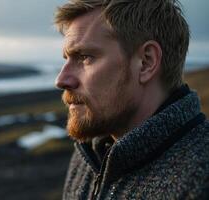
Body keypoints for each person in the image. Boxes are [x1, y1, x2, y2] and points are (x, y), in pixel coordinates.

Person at [54, 0, 208, 199]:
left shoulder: (201, 177)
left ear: (146, 62)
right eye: (66, 59)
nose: (61, 80)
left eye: (84, 57)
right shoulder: (88, 157)